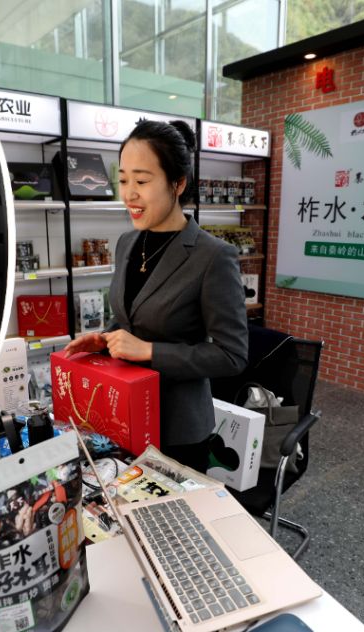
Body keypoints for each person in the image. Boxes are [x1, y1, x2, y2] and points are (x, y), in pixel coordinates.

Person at [63, 119, 248, 473]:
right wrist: (104, 340)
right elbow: (131, 316)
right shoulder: (127, 242)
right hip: (124, 415)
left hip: (177, 429)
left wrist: (149, 351)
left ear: (178, 183)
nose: (129, 194)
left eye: (142, 181)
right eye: (123, 181)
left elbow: (232, 355)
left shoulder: (213, 256)